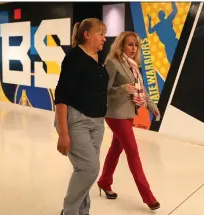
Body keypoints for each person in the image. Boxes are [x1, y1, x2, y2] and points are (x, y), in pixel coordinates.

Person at [97, 31, 161, 210]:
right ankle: (148, 197)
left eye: (136, 45)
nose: (133, 48)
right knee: (133, 152)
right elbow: (104, 90)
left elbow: (141, 89)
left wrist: (152, 107)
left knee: (115, 150)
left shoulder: (133, 65)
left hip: (127, 114)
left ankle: (104, 181)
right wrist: (123, 89)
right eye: (130, 44)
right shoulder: (112, 63)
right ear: (121, 45)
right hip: (115, 114)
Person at [54, 18, 108, 215]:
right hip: (76, 120)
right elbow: (61, 96)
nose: (104, 38)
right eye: (100, 34)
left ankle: (82, 212)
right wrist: (63, 133)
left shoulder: (98, 58)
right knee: (89, 169)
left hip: (97, 122)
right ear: (87, 35)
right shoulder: (74, 57)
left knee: (87, 171)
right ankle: (69, 212)